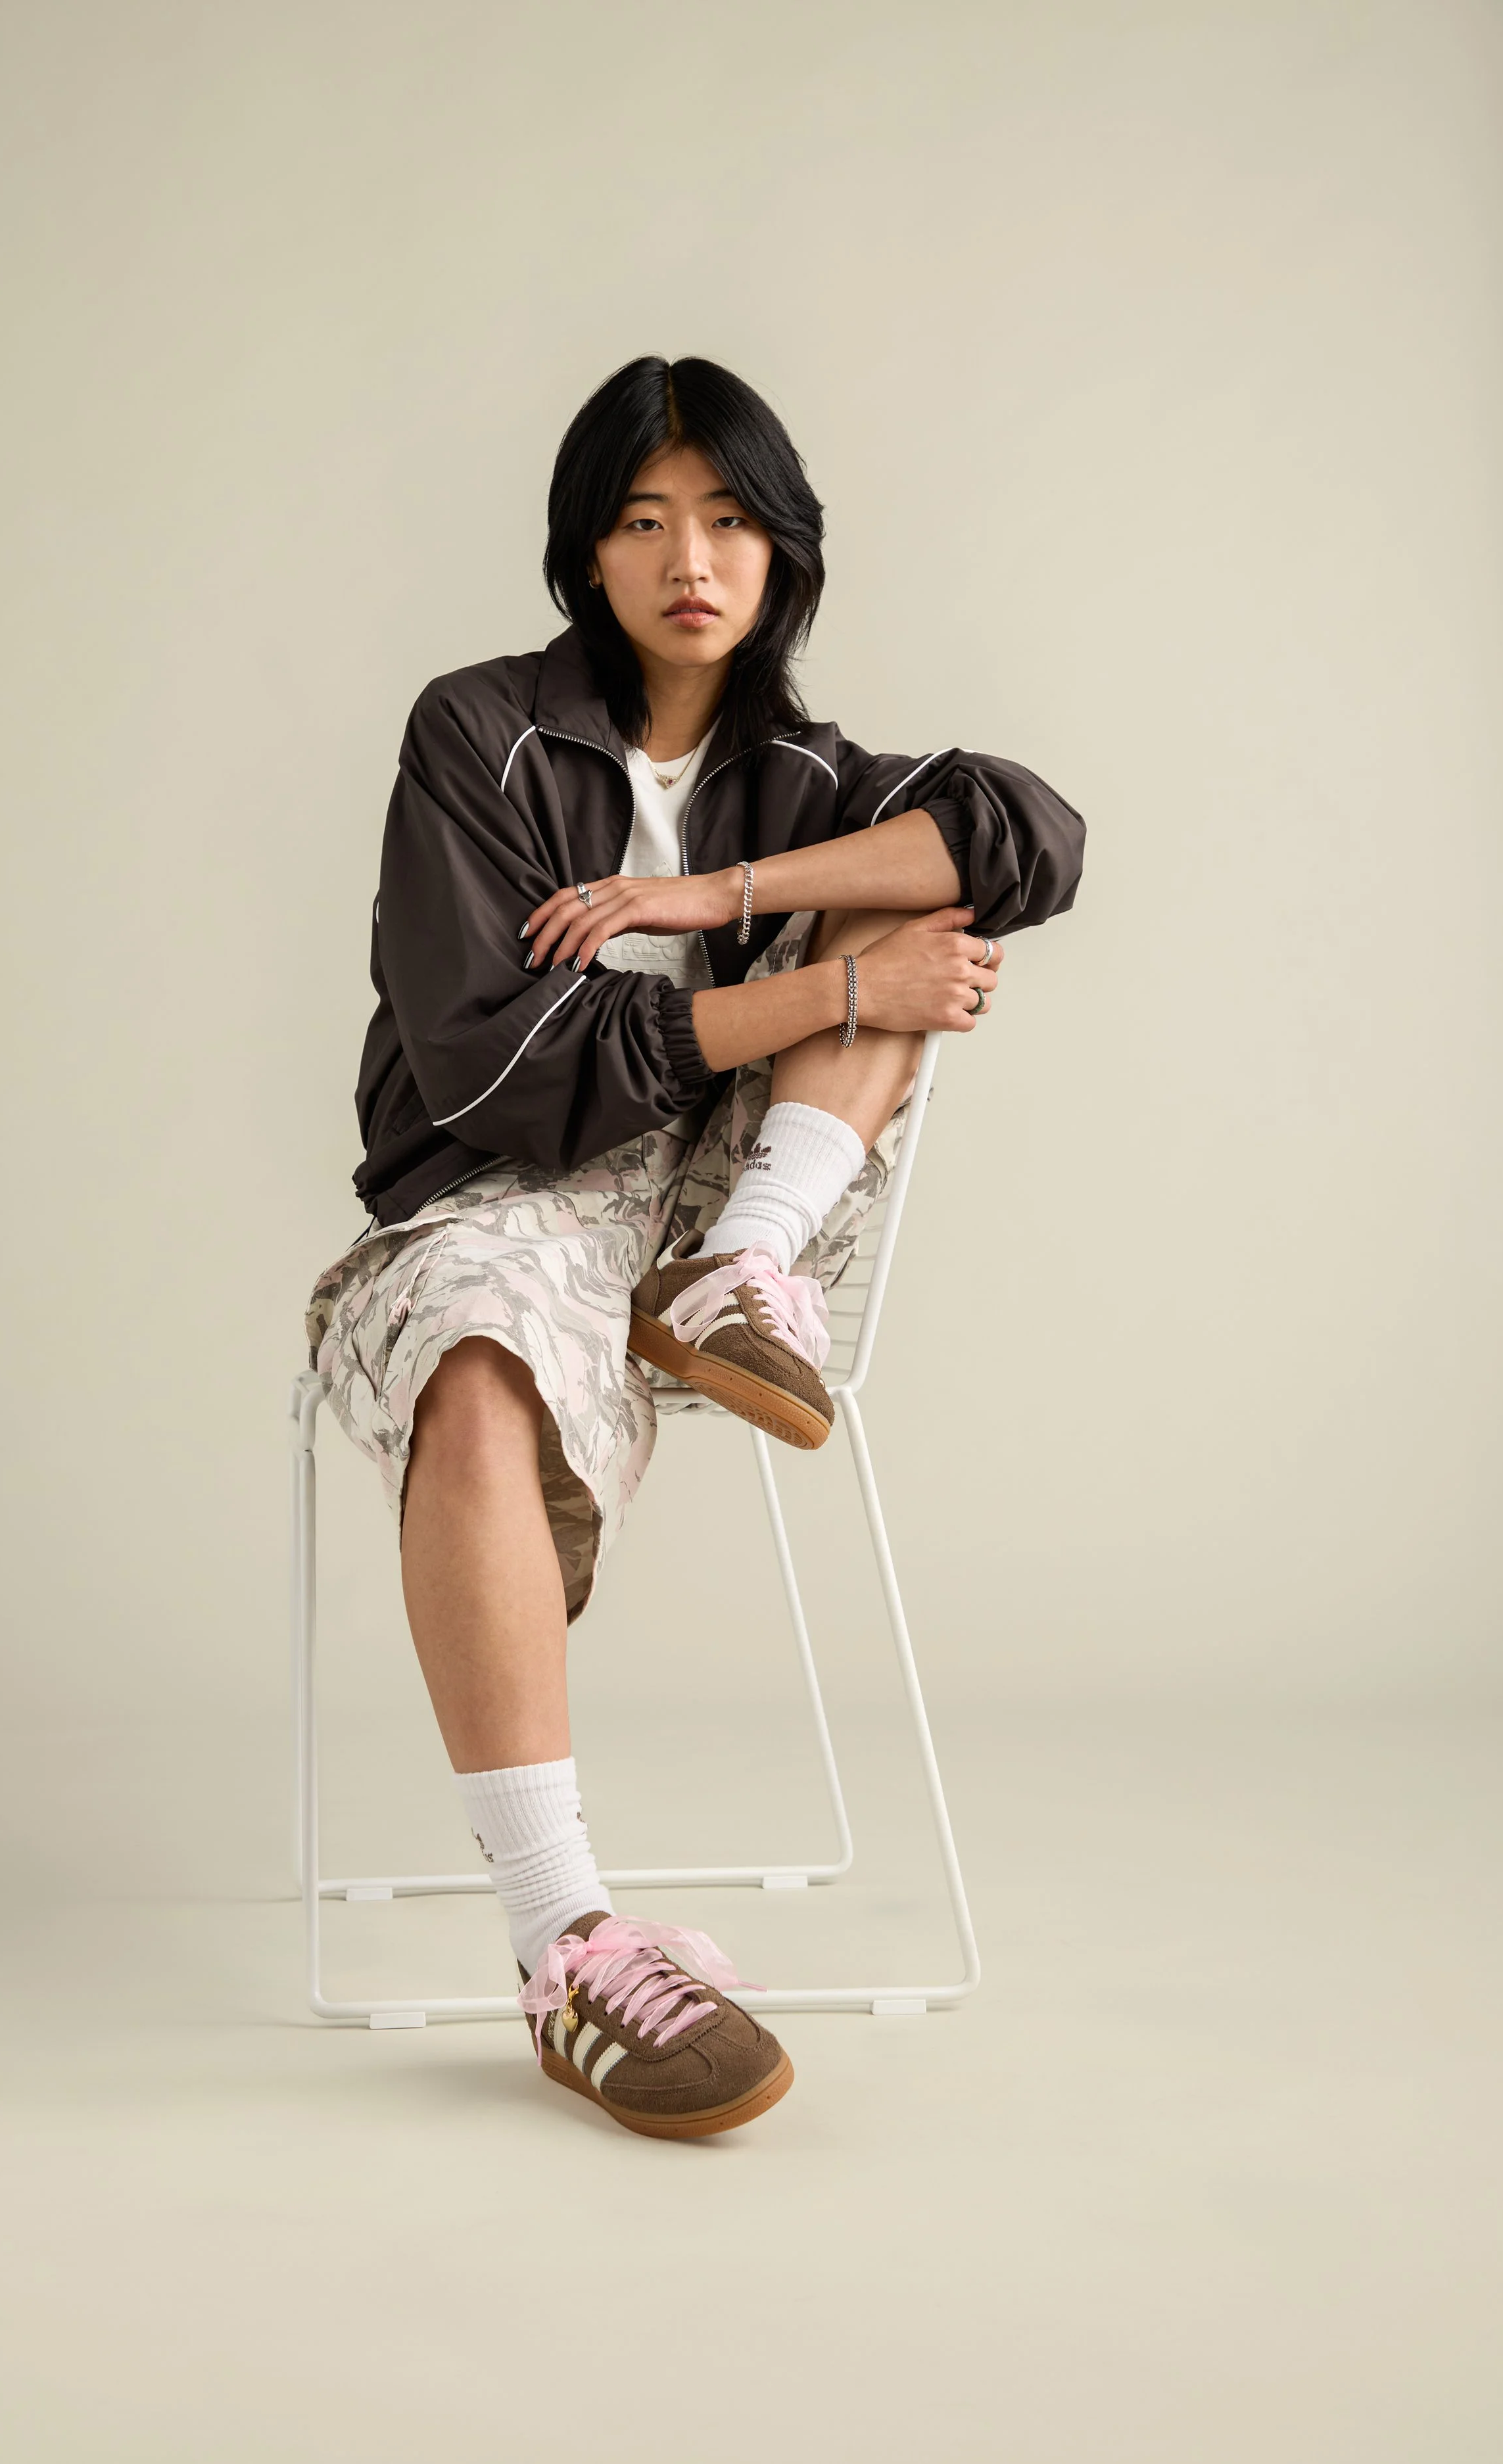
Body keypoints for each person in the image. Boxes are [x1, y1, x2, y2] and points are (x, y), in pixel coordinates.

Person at [305, 354, 1086, 2139]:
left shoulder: (803, 776)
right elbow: (490, 1070)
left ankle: (737, 1271)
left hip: (735, 1200)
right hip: (499, 1197)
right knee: (476, 1357)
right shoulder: (478, 734)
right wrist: (827, 983)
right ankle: (562, 1936)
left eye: (729, 518)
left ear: (781, 549)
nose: (691, 558)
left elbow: (1037, 834)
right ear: (587, 553)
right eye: (645, 520)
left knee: (934, 871)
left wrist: (713, 896)